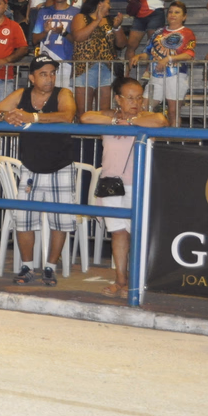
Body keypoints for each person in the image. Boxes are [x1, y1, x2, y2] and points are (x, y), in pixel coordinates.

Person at [0, 55, 78, 287]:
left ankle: (50, 267)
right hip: (30, 165)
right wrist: (8, 115)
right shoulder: (21, 94)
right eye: (44, 74)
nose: (49, 78)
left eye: (52, 73)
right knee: (24, 219)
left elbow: (68, 115)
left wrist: (32, 117)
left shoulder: (63, 93)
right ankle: (26, 266)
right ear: (32, 77)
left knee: (61, 220)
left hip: (61, 165)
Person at [81, 77, 167, 299]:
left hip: (138, 183)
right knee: (118, 232)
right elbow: (85, 117)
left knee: (138, 233)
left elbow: (161, 121)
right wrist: (115, 121)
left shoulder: (147, 117)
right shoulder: (109, 116)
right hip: (110, 184)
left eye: (139, 97)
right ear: (118, 99)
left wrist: (129, 122)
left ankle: (138, 282)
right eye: (129, 98)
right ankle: (120, 280)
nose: (135, 102)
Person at [130, 0, 195, 127]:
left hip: (176, 75)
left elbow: (189, 54)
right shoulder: (158, 32)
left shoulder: (187, 33)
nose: (173, 15)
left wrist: (168, 59)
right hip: (156, 75)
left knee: (173, 111)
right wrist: (138, 56)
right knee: (144, 108)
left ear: (184, 16)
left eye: (177, 12)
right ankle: (147, 136)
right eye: (170, 12)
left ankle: (174, 140)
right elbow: (147, 52)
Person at [70, 0, 127, 118]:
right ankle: (84, 137)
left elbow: (121, 44)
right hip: (84, 68)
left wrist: (117, 27)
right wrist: (97, 20)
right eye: (108, 3)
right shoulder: (81, 17)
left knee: (104, 112)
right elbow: (78, 36)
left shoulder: (110, 21)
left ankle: (101, 137)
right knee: (84, 112)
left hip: (106, 68)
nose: (110, 6)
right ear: (99, 4)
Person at [32, 0, 79, 88]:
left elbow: (78, 40)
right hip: (46, 62)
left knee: (65, 99)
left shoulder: (76, 13)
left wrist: (63, 32)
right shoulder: (43, 12)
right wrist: (45, 32)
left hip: (67, 63)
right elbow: (34, 39)